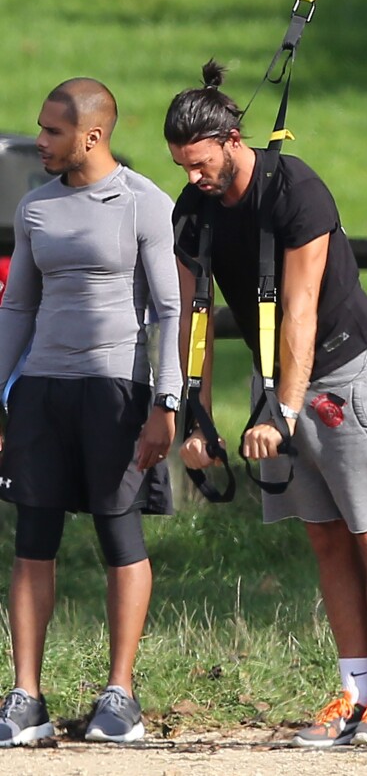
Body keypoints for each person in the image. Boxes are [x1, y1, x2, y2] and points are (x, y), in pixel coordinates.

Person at [164, 60, 367, 749]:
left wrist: (283, 407)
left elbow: (301, 311)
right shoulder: (193, 212)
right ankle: (353, 687)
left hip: (338, 365)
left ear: (234, 137)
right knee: (322, 532)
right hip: (276, 376)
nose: (195, 178)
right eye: (184, 167)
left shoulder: (295, 191)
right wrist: (199, 418)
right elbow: (196, 317)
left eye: (202, 163)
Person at [0, 78, 182, 746]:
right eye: (41, 129)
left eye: (52, 132)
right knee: (32, 541)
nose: (41, 142)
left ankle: (121, 695)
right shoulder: (35, 208)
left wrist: (167, 401)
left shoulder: (143, 205)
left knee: (118, 537)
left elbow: (172, 310)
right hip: (43, 390)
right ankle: (26, 697)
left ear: (93, 135)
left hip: (116, 392)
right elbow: (16, 306)